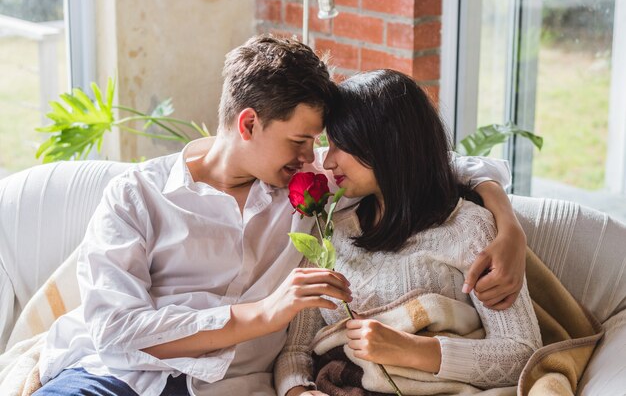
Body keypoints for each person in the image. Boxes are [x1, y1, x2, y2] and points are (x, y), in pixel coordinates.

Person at [34, 37, 525, 396]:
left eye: (319, 143)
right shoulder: (135, 197)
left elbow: (414, 160)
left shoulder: (309, 192)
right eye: (300, 141)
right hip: (109, 378)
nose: (314, 158)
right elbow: (116, 332)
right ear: (248, 123)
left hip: (228, 388)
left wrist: (507, 224)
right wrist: (262, 315)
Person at [275, 69, 542, 396]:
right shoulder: (329, 231)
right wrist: (298, 392)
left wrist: (412, 350)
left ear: (387, 146)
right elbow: (295, 351)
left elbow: (522, 351)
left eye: (340, 145)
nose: (327, 161)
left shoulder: (470, 229)